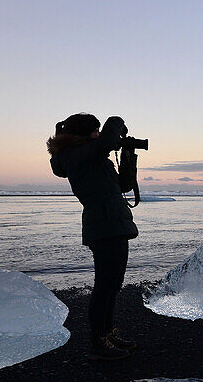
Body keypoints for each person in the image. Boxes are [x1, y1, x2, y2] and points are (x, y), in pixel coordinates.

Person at [47, 113, 139, 360]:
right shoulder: (76, 155)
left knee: (113, 285)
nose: (99, 134)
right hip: (104, 225)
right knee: (104, 287)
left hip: (112, 223)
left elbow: (123, 185)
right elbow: (107, 139)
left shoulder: (90, 156)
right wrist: (118, 121)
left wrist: (128, 153)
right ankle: (99, 342)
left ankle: (108, 334)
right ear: (85, 134)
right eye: (95, 130)